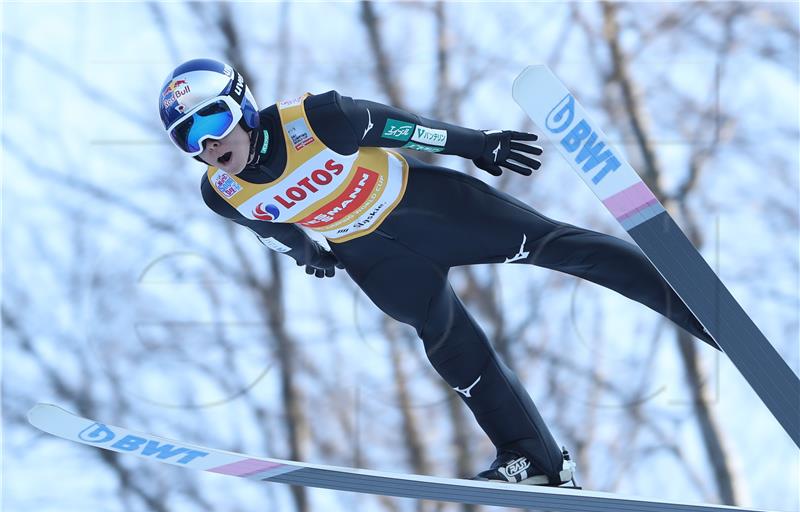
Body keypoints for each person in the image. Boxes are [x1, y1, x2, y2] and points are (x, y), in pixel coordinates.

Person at [158, 58, 720, 487]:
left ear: (242, 104)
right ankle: (534, 457)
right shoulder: (223, 193)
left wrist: (478, 145)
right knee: (450, 349)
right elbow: (273, 231)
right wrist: (311, 256)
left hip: (432, 210)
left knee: (562, 248)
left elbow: (403, 129)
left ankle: (709, 319)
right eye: (188, 135)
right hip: (376, 259)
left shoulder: (319, 119)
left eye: (212, 118)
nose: (206, 141)